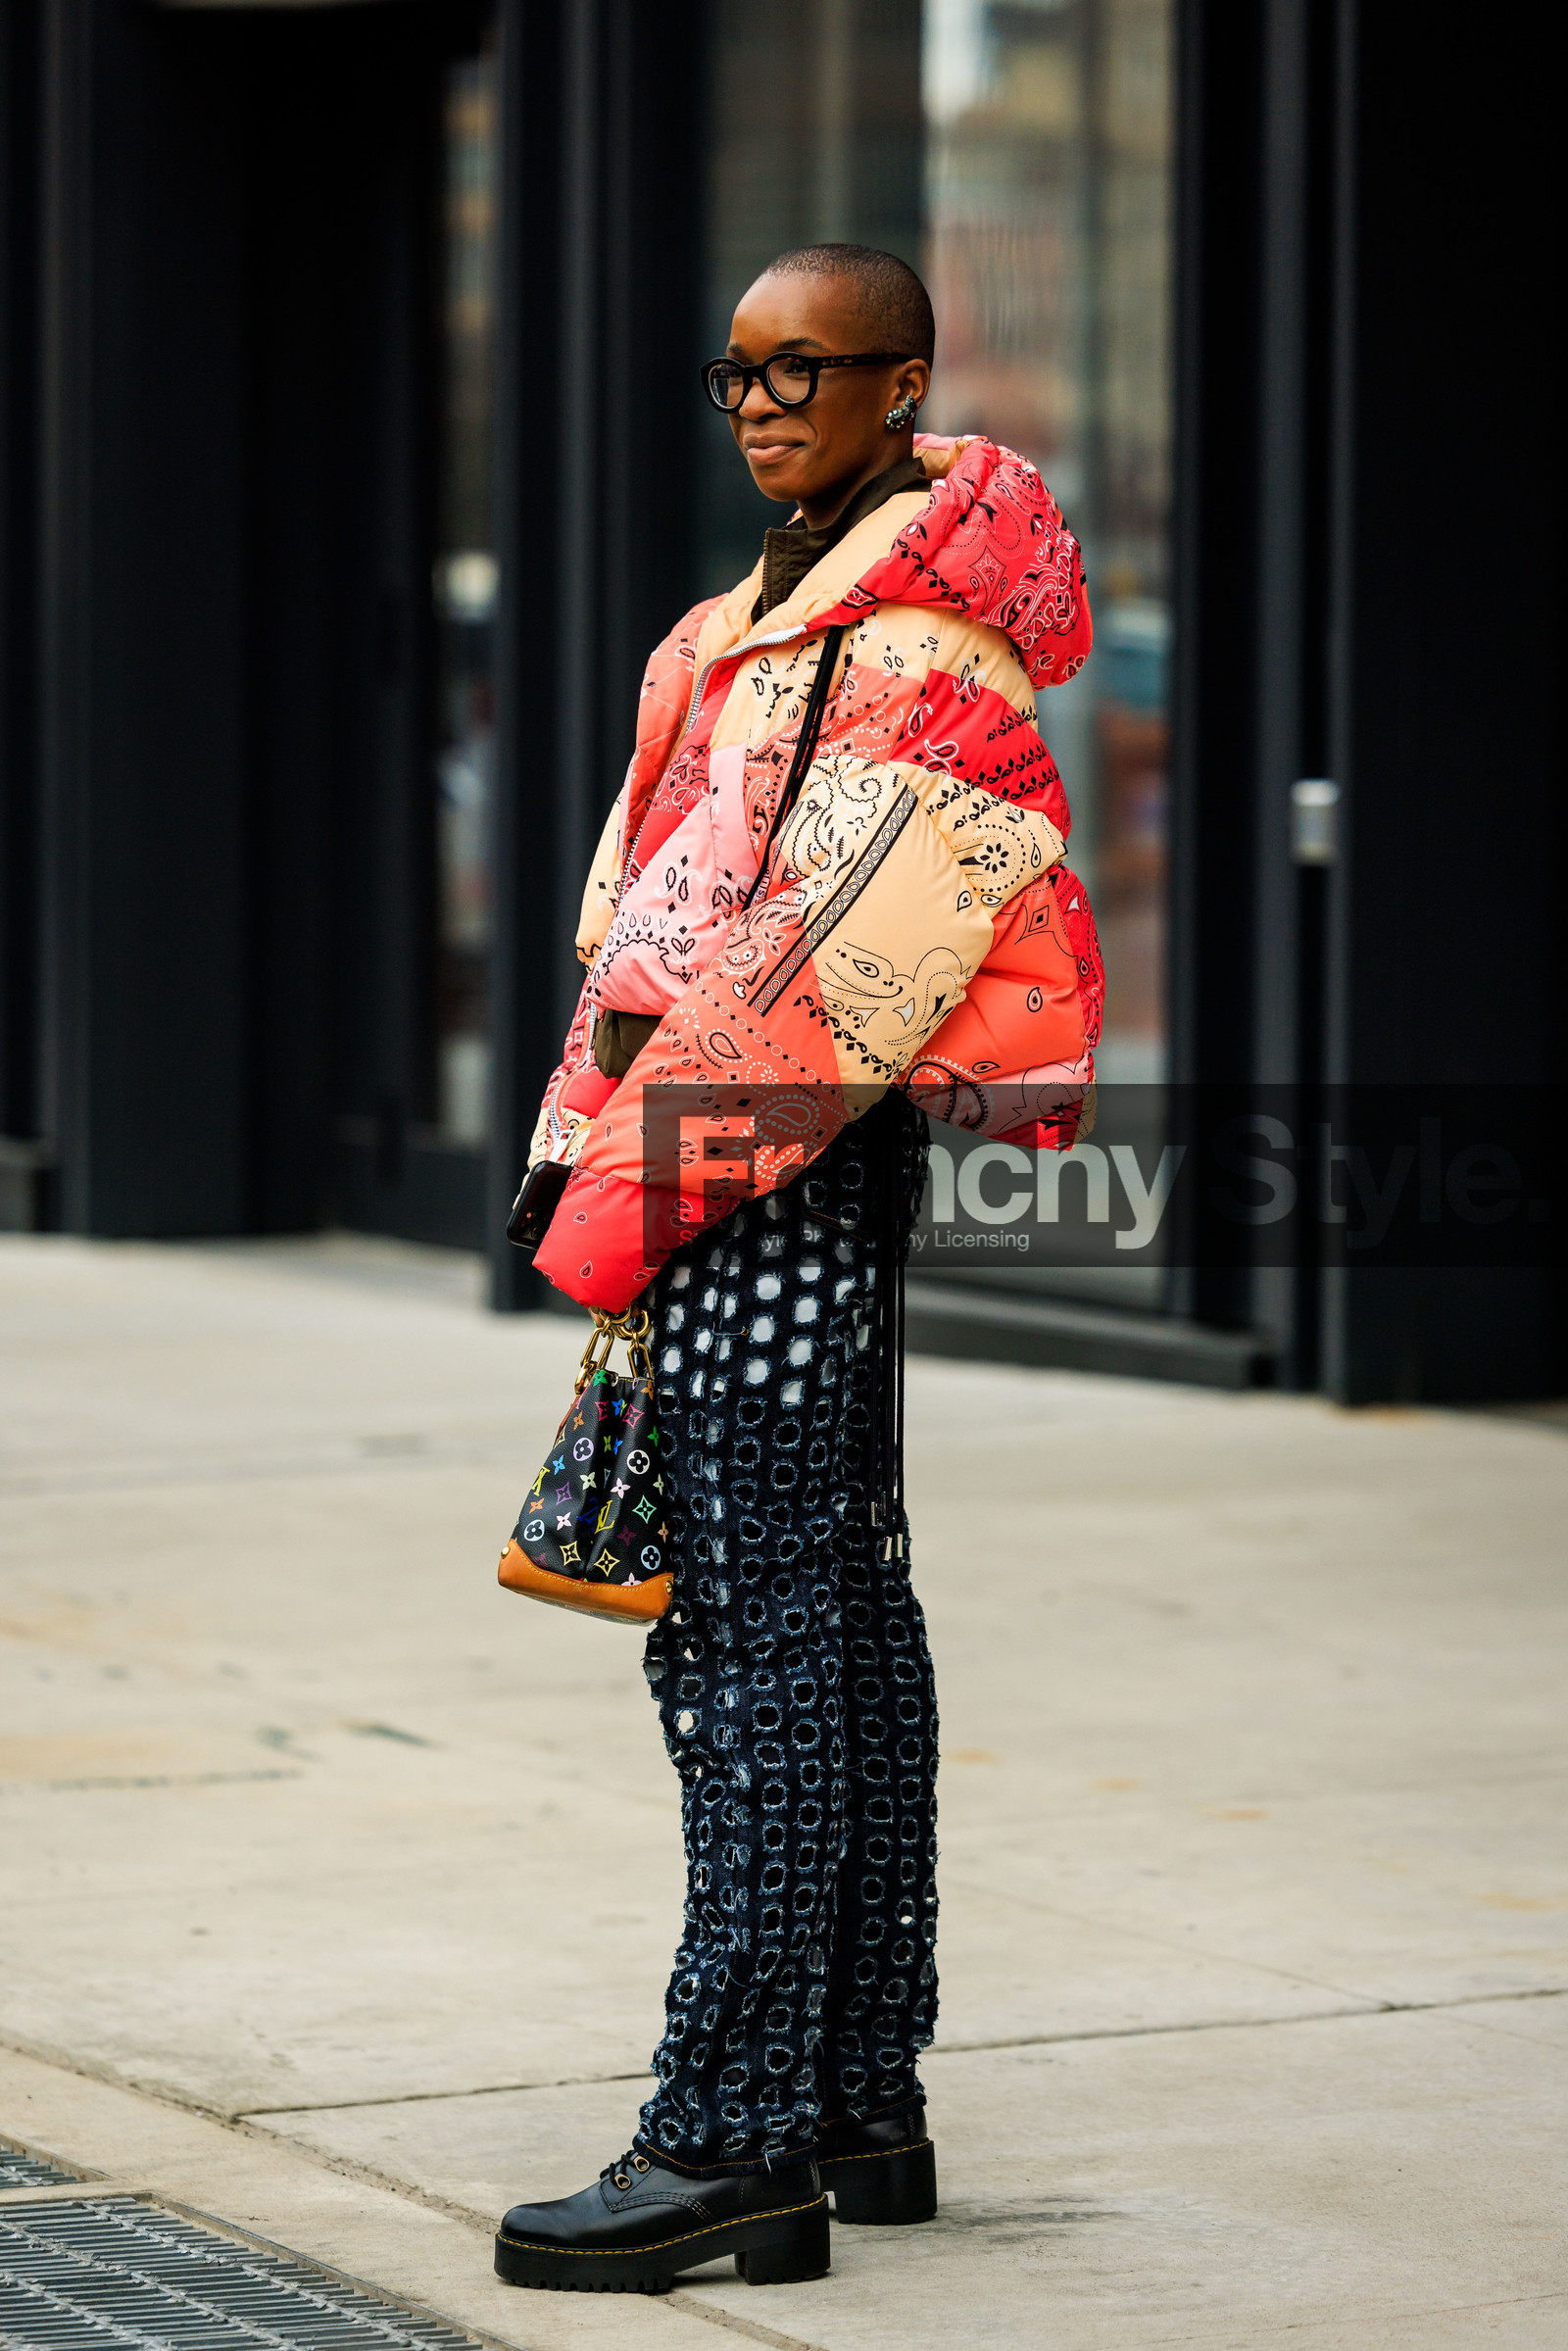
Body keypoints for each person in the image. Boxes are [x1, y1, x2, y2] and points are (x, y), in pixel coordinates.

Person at [495, 244, 1097, 2296]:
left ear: (902, 381)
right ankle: (851, 2095)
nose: (759, 402)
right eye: (734, 371)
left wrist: (621, 1185)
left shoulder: (928, 640)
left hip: (774, 1171)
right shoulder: (747, 627)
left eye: (804, 367)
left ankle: (727, 2140)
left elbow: (840, 975)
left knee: (754, 1640)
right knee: (829, 1612)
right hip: (735, 1165)